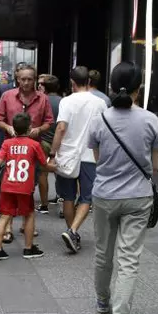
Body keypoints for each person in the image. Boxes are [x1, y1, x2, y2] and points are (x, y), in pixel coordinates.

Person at [89, 62, 158, 314]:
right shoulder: (150, 120)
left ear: (110, 86)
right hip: (138, 196)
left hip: (104, 194)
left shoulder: (100, 119)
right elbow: (154, 165)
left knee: (102, 252)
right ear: (138, 89)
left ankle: (102, 301)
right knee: (129, 259)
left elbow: (97, 159)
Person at [50, 66, 107, 254]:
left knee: (67, 196)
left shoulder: (66, 102)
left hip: (67, 155)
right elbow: (103, 132)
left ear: (72, 83)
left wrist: (52, 153)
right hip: (90, 156)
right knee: (86, 197)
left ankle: (71, 231)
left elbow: (60, 129)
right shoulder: (99, 103)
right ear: (89, 82)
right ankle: (72, 230)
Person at [0, 65, 54, 243]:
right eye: (23, 79)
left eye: (30, 79)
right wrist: (8, 127)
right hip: (11, 150)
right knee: (8, 186)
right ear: (17, 79)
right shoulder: (7, 96)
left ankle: (26, 222)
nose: (26, 82)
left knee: (30, 186)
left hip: (32, 149)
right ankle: (9, 226)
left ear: (35, 80)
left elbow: (49, 122)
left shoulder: (43, 98)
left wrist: (38, 129)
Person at [0, 113, 55, 261]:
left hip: (7, 184)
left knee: (5, 216)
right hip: (24, 186)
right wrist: (56, 167)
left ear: (14, 128)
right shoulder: (34, 145)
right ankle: (28, 247)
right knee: (29, 214)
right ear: (29, 128)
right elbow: (44, 164)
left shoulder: (7, 143)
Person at [36, 74, 62, 215]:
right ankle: (62, 199)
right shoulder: (64, 101)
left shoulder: (41, 100)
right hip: (60, 141)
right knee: (63, 172)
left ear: (45, 87)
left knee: (42, 173)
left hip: (44, 140)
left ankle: (44, 204)